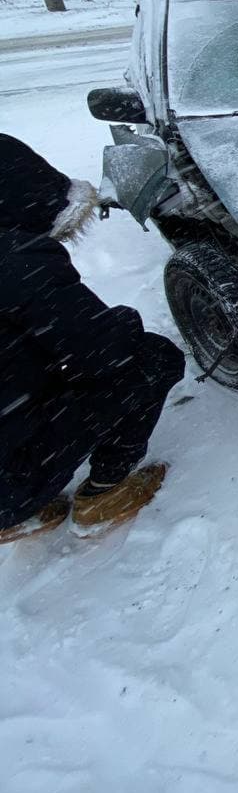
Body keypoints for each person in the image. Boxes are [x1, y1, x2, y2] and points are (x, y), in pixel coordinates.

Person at [0, 134, 184, 544]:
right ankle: (104, 493)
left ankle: (15, 512)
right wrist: (123, 322)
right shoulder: (17, 262)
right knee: (153, 359)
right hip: (9, 478)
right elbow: (105, 353)